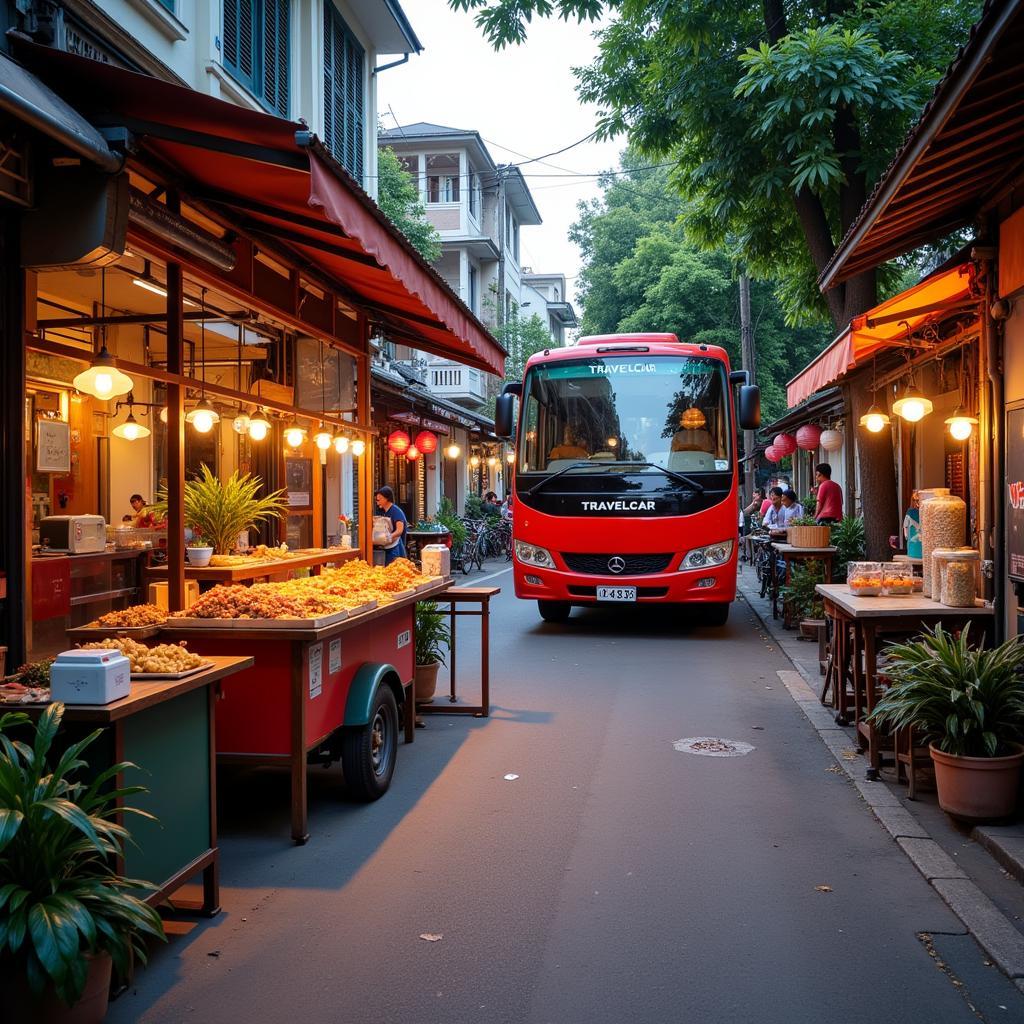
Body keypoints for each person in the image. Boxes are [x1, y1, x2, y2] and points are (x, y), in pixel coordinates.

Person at [374, 486, 407, 565]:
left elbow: (399, 530)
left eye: (379, 500)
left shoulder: (396, 511)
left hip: (395, 547)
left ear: (387, 498)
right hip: (385, 547)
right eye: (376, 500)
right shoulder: (381, 512)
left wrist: (389, 536)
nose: (377, 502)